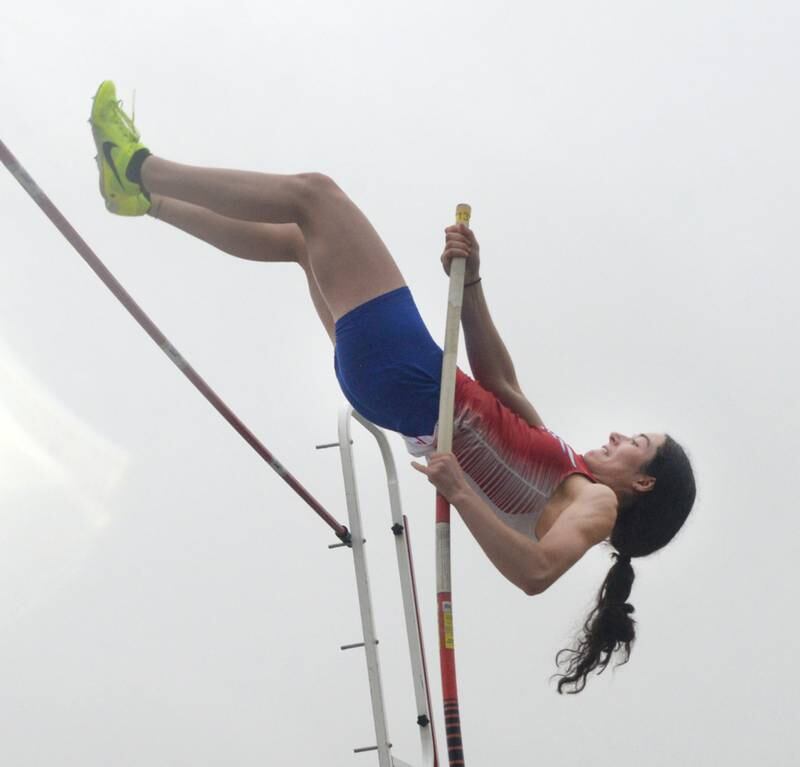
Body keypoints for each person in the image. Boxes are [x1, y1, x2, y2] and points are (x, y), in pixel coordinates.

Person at [89, 81, 697, 694]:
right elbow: (501, 381)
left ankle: (138, 164)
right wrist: (475, 282)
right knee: (304, 242)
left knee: (314, 196)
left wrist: (460, 492)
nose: (619, 435)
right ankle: (142, 202)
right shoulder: (568, 472)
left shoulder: (599, 506)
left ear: (643, 481)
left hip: (410, 377)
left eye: (636, 442)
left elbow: (536, 573)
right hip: (394, 389)